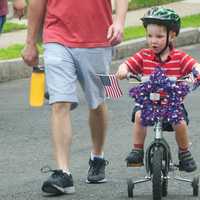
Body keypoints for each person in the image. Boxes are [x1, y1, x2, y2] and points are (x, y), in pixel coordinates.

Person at [22, 0, 128, 196]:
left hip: (98, 39)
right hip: (56, 37)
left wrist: (120, 22)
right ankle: (63, 173)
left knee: (97, 103)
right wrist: (30, 42)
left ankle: (97, 157)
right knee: (60, 102)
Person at [116, 7, 200, 173]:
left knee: (180, 122)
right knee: (140, 115)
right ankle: (137, 150)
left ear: (172, 35)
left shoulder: (180, 58)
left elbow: (195, 66)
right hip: (149, 103)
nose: (153, 40)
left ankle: (184, 153)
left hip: (172, 105)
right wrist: (123, 70)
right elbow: (127, 64)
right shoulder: (144, 55)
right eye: (149, 35)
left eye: (159, 36)